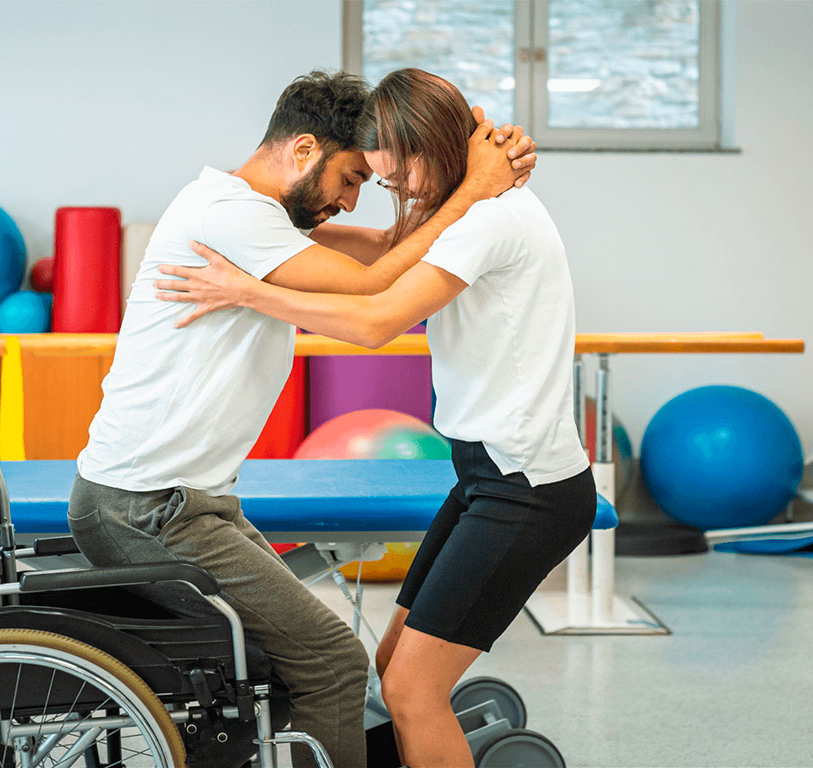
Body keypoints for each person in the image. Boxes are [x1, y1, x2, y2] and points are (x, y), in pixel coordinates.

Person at [68, 69, 535, 768]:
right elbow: (375, 284)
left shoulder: (252, 214)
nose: (349, 201)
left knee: (290, 661)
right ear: (304, 148)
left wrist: (476, 162)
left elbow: (384, 249)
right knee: (334, 661)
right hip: (148, 508)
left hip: (184, 502)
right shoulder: (231, 215)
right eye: (348, 178)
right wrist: (475, 189)